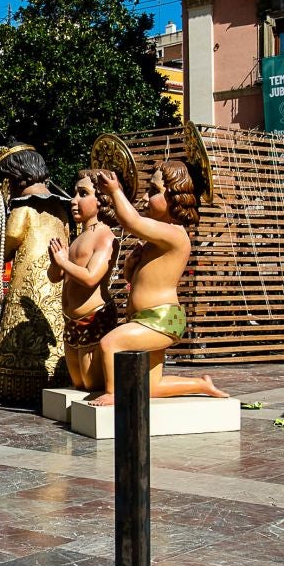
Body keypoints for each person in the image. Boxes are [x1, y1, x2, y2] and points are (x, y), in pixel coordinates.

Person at [86, 162, 226, 406]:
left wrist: (115, 191)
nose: (146, 199)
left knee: (111, 343)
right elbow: (138, 281)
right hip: (147, 317)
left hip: (160, 319)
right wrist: (131, 268)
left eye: (153, 191)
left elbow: (132, 222)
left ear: (174, 196)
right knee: (151, 385)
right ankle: (201, 384)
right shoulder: (155, 240)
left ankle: (113, 393)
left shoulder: (174, 234)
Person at [0, 143, 69, 407]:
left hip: (27, 280)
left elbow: (9, 240)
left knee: (22, 325)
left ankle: (18, 380)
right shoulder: (61, 208)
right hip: (56, 279)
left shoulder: (22, 209)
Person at [47, 168, 119, 393]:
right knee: (78, 384)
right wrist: (56, 262)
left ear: (101, 200)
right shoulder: (78, 237)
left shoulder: (105, 236)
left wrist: (63, 261)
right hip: (71, 322)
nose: (74, 200)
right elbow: (55, 277)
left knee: (91, 383)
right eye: (75, 193)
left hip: (94, 319)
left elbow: (90, 278)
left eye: (83, 194)